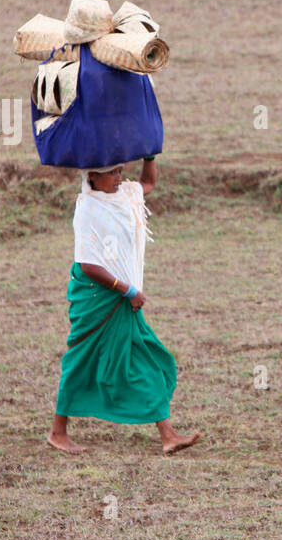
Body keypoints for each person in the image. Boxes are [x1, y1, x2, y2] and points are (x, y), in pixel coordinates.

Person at [46, 157, 199, 455]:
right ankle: (57, 432)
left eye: (119, 171)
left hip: (122, 297)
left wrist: (150, 156)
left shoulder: (125, 195)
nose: (118, 177)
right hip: (98, 296)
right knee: (81, 359)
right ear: (92, 176)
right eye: (112, 173)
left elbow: (149, 183)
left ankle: (168, 435)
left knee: (148, 357)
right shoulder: (89, 208)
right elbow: (88, 264)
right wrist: (126, 289)